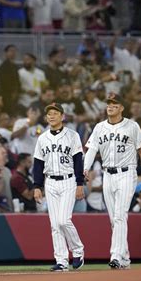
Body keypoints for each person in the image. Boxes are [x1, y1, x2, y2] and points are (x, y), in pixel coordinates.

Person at [83, 93, 141, 269]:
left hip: (126, 173)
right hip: (107, 175)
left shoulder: (132, 126)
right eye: (109, 103)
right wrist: (85, 168)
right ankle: (125, 258)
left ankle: (115, 255)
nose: (111, 106)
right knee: (114, 219)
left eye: (115, 103)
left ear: (122, 107)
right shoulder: (99, 127)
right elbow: (91, 150)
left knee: (120, 215)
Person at [33, 103, 84, 271]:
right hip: (50, 182)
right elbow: (38, 164)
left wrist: (79, 183)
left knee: (63, 220)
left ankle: (77, 251)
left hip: (68, 180)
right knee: (55, 224)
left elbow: (78, 161)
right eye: (49, 114)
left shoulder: (72, 136)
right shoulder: (42, 138)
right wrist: (37, 186)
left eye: (55, 113)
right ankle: (61, 260)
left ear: (62, 116)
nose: (52, 116)